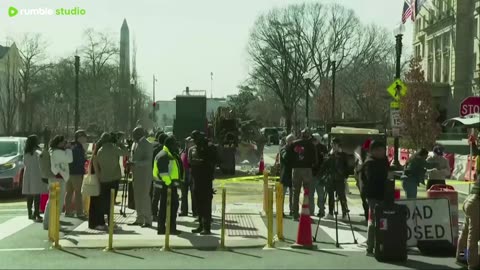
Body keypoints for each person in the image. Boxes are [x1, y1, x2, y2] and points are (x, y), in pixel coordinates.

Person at [94, 132, 130, 230]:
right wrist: (120, 144)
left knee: (103, 201)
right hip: (113, 178)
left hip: (103, 178)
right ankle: (110, 222)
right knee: (111, 202)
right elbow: (127, 153)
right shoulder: (113, 149)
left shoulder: (100, 150)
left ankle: (101, 222)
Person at [361, 140, 390, 256]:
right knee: (373, 221)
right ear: (372, 151)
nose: (381, 152)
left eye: (382, 150)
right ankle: (370, 247)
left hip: (384, 194)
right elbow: (370, 180)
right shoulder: (370, 163)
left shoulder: (384, 161)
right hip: (373, 195)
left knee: (384, 221)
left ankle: (382, 244)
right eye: (378, 150)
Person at [154, 136, 183, 235]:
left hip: (168, 186)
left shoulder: (168, 154)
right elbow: (163, 173)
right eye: (174, 144)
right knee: (167, 208)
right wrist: (169, 184)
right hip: (167, 187)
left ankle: (168, 228)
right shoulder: (164, 155)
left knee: (168, 208)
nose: (176, 146)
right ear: (170, 145)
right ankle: (166, 229)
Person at [43, 135, 73, 230]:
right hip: (58, 179)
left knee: (51, 201)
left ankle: (48, 223)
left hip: (54, 178)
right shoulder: (58, 152)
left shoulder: (53, 151)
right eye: (64, 142)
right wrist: (68, 149)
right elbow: (69, 159)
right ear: (59, 143)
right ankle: (54, 223)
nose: (65, 144)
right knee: (57, 203)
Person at [189, 132, 217, 234]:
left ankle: (207, 227)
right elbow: (190, 163)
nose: (193, 141)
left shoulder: (209, 148)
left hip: (205, 181)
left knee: (206, 205)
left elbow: (215, 162)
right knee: (198, 204)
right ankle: (200, 225)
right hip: (196, 180)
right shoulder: (192, 150)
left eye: (195, 139)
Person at [286, 128, 316, 221]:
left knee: (296, 192)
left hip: (296, 169)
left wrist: (293, 164)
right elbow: (315, 159)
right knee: (307, 192)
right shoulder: (311, 145)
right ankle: (306, 214)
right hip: (307, 169)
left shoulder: (294, 143)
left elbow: (288, 155)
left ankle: (295, 214)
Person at [129, 127, 154, 227]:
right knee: (137, 197)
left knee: (144, 197)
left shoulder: (147, 144)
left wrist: (135, 163)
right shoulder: (134, 144)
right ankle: (139, 218)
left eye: (134, 134)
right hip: (136, 174)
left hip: (144, 175)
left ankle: (148, 220)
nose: (133, 136)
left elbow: (148, 161)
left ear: (139, 134)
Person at [22, 135, 47, 222]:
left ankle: (30, 213)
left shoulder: (26, 151)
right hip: (36, 173)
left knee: (29, 194)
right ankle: (36, 213)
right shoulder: (38, 150)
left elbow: (25, 163)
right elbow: (43, 159)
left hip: (28, 173)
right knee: (37, 194)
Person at [323, 138, 349, 219]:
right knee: (330, 196)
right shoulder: (329, 154)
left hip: (340, 179)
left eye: (334, 144)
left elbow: (347, 167)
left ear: (338, 145)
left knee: (342, 196)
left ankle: (344, 213)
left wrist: (345, 176)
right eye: (332, 144)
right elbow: (325, 165)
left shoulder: (343, 155)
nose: (333, 146)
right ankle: (330, 213)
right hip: (330, 178)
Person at [65, 130, 87, 219]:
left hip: (68, 172)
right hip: (76, 173)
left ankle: (68, 211)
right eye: (84, 137)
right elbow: (79, 161)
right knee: (78, 193)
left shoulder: (71, 146)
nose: (85, 139)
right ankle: (79, 212)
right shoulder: (78, 148)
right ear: (80, 137)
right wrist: (85, 160)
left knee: (69, 192)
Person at [310, 135, 328, 217]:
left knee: (320, 194)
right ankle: (311, 211)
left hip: (320, 174)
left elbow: (325, 160)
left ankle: (321, 210)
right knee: (311, 194)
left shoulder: (323, 148)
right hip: (311, 174)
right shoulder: (309, 147)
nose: (313, 141)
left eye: (314, 139)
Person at [354, 139, 372, 223]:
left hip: (365, 183)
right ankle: (368, 217)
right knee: (366, 201)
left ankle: (368, 217)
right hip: (364, 182)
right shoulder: (363, 157)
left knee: (366, 201)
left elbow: (358, 169)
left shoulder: (364, 158)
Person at [152, 132, 168, 221]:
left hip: (156, 176)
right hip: (165, 176)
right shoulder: (166, 150)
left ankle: (154, 213)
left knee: (156, 195)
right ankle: (164, 213)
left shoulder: (154, 149)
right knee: (164, 195)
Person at [180, 136, 196, 217]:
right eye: (186, 142)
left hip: (192, 174)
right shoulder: (182, 152)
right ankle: (184, 211)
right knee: (183, 194)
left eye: (189, 142)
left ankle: (195, 211)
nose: (187, 143)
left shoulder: (194, 151)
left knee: (194, 194)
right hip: (183, 174)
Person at [279, 134, 294, 216]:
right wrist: (289, 149)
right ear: (288, 141)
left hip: (293, 174)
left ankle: (292, 210)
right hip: (284, 174)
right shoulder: (284, 149)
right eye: (291, 141)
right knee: (282, 194)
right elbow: (286, 157)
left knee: (293, 195)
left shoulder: (294, 150)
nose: (293, 143)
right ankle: (280, 210)